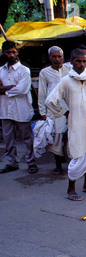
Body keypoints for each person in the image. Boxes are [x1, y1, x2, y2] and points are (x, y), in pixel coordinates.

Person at [45, 48, 86, 201]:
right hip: (77, 122)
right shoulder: (66, 81)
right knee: (78, 154)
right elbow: (50, 101)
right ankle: (71, 189)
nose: (81, 64)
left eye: (84, 61)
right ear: (71, 62)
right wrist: (64, 112)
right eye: (78, 61)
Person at [0, 41, 38, 174]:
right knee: (8, 138)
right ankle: (11, 162)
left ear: (17, 52)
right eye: (8, 52)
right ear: (4, 53)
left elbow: (21, 90)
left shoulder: (24, 70)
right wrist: (10, 88)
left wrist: (4, 90)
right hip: (5, 110)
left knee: (27, 138)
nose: (11, 55)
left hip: (21, 109)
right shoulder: (1, 70)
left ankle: (31, 162)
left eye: (14, 52)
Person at [38, 46, 72, 175]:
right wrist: (42, 113)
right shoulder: (44, 72)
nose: (57, 59)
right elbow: (42, 94)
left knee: (69, 136)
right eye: (54, 56)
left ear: (63, 58)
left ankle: (70, 162)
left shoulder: (69, 70)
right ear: (49, 58)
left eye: (59, 56)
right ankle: (58, 165)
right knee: (57, 137)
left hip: (69, 107)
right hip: (54, 109)